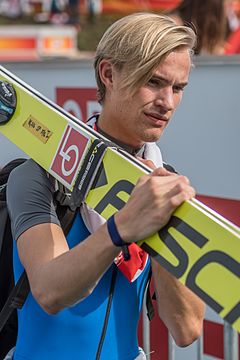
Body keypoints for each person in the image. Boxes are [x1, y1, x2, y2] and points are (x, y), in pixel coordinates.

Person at [6, 12, 205, 359]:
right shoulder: (39, 175)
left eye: (178, 88)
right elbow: (50, 291)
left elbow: (186, 330)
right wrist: (124, 225)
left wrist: (163, 232)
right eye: (154, 82)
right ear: (109, 74)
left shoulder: (161, 183)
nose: (168, 103)